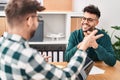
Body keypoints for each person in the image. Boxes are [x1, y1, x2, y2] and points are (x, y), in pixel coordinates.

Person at [0, 0, 104, 80]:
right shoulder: (28, 56)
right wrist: (83, 47)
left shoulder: (2, 44)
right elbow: (67, 76)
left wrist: (37, 64)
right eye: (37, 18)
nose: (37, 23)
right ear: (30, 20)